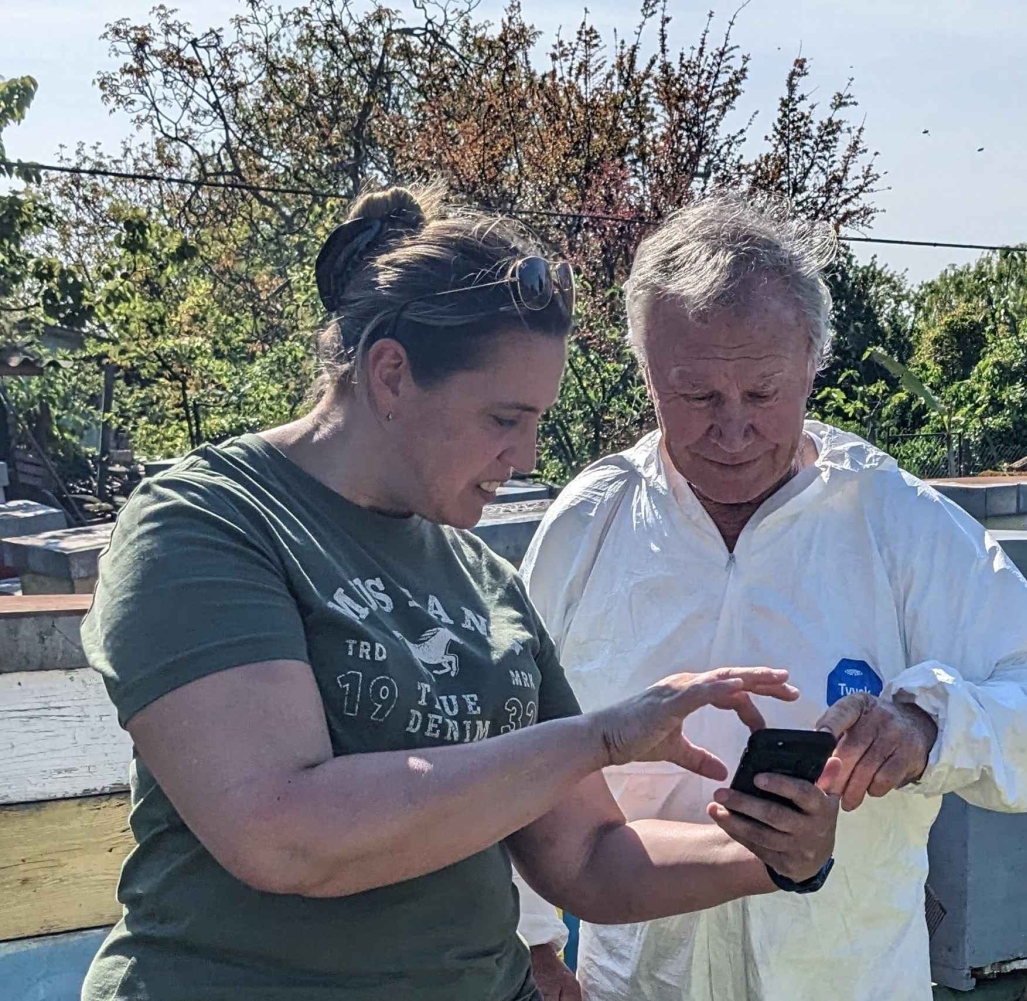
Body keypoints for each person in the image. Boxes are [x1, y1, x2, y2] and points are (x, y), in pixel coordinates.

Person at [79, 184, 843, 1001]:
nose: (527, 454)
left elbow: (586, 857)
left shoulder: (485, 582)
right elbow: (282, 832)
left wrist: (774, 854)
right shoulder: (211, 521)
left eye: (537, 420)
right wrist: (600, 738)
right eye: (504, 418)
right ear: (391, 375)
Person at [514, 194, 1027, 1001]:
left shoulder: (893, 518)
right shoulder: (592, 521)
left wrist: (931, 726)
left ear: (811, 364)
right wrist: (533, 945)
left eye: (762, 393)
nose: (732, 429)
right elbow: (512, 738)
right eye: (695, 396)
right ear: (647, 371)